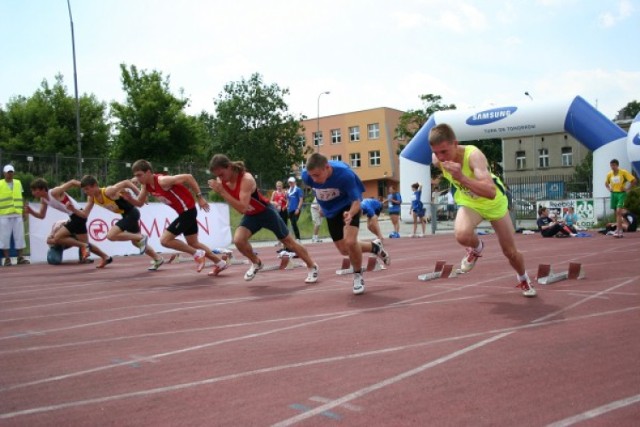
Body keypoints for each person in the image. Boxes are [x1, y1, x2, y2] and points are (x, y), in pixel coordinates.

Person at [429, 123, 536, 297]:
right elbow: (439, 159)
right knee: (462, 235)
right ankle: (477, 248)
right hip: (470, 203)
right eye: (436, 152)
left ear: (455, 144)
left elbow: (490, 192)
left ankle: (523, 278)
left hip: (494, 204)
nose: (440, 157)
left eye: (444, 151)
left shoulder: (474, 156)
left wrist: (461, 177)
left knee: (510, 252)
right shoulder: (437, 160)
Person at [207, 154, 318, 283]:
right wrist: (220, 190)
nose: (220, 178)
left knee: (289, 242)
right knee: (238, 240)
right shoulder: (221, 182)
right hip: (252, 215)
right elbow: (242, 208)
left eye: (221, 174)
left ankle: (312, 265)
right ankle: (256, 262)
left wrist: (222, 192)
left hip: (266, 212)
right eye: (218, 175)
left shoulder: (246, 179)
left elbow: (241, 208)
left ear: (230, 167)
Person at [302, 153, 390, 295]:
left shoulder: (345, 175)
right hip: (331, 212)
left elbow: (357, 201)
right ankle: (375, 247)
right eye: (311, 176)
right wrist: (321, 206)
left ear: (327, 168)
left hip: (348, 207)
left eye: (317, 175)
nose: (314, 179)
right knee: (344, 250)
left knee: (350, 242)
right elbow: (317, 191)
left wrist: (350, 213)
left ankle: (357, 276)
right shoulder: (307, 175)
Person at [125, 159, 228, 276]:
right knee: (193, 242)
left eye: (140, 175)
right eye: (136, 176)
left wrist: (199, 197)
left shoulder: (163, 181)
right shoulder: (146, 186)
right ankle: (220, 263)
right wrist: (129, 198)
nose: (138, 178)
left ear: (148, 172)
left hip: (188, 212)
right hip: (184, 212)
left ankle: (197, 254)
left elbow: (189, 177)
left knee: (165, 240)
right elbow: (140, 203)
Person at [79, 175, 165, 271]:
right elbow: (85, 214)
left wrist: (140, 195)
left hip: (132, 213)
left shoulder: (108, 191)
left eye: (87, 189)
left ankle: (141, 237)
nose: (86, 192)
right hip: (126, 215)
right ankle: (157, 258)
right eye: (84, 190)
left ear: (95, 185)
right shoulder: (91, 198)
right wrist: (72, 209)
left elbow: (126, 182)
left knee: (111, 236)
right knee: (136, 243)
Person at [27, 178, 112, 268]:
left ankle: (83, 246)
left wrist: (89, 189)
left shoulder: (54, 192)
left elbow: (72, 182)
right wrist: (31, 211)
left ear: (43, 189)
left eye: (35, 190)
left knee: (57, 238)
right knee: (87, 244)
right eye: (32, 191)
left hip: (78, 215)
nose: (33, 193)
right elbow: (41, 215)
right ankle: (105, 257)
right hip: (75, 216)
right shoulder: (43, 200)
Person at [0, 164, 30, 266]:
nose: (10, 174)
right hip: (4, 214)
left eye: (11, 172)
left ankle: (20, 257)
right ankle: (7, 259)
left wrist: (24, 211)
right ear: (4, 173)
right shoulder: (0, 184)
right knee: (5, 237)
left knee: (20, 236)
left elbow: (21, 197)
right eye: (8, 172)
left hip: (17, 213)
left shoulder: (18, 183)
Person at [604, 159, 636, 238]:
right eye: (611, 165)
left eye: (614, 165)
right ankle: (619, 229)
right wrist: (609, 189)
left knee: (619, 211)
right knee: (616, 213)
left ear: (617, 165)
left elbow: (633, 180)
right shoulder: (609, 174)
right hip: (613, 194)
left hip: (621, 194)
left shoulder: (623, 172)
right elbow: (606, 183)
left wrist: (627, 189)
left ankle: (619, 229)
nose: (612, 167)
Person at [286, 176, 304, 242]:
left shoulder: (298, 190)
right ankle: (290, 238)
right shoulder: (288, 191)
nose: (291, 184)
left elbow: (301, 200)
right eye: (290, 183)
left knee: (293, 223)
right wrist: (286, 206)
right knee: (290, 223)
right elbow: (288, 200)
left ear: (295, 182)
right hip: (290, 210)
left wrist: (298, 208)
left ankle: (298, 238)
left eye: (292, 182)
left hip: (296, 209)